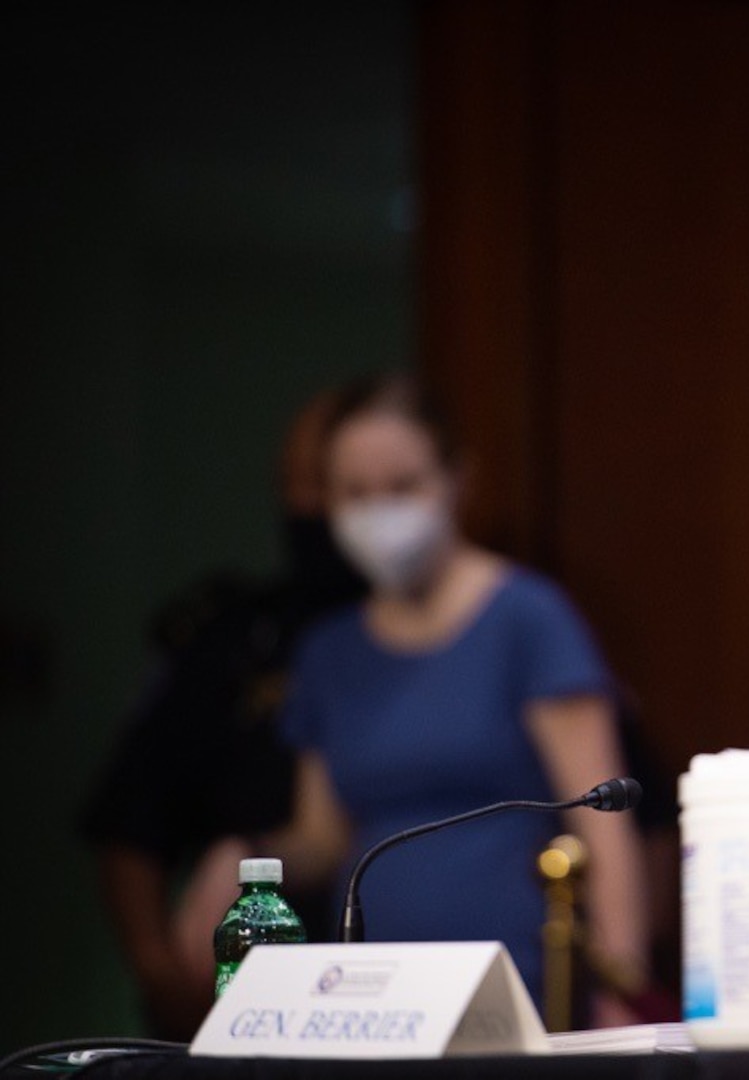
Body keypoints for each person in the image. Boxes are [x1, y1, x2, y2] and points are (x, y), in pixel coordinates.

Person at [221, 371, 650, 1023]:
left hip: (514, 997)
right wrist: (243, 859)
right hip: (368, 1004)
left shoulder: (527, 619)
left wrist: (621, 992)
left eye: (402, 487)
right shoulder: (328, 652)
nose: (379, 511)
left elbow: (605, 821)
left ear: (457, 480)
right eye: (355, 493)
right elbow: (323, 836)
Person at [80, 390, 367, 1040]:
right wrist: (162, 975)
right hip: (249, 987)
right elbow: (130, 816)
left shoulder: (463, 631)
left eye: (325, 482)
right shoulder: (234, 639)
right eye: (290, 485)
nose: (304, 505)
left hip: (418, 968)